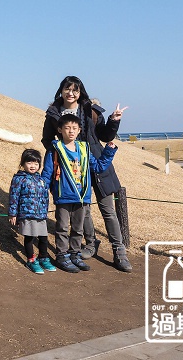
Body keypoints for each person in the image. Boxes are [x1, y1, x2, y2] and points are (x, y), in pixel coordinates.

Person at [41, 76, 132, 273]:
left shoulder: (90, 110)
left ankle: (120, 252)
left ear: (80, 92)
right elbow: (47, 139)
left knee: (108, 209)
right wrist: (60, 154)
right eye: (67, 89)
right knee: (85, 211)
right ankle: (91, 243)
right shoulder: (53, 114)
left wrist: (114, 121)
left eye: (75, 89)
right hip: (71, 169)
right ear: (61, 90)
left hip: (96, 161)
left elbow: (105, 136)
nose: (71, 93)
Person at [42, 113, 117, 272]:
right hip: (63, 196)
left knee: (78, 228)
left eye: (74, 128)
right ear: (60, 130)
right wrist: (42, 193)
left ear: (79, 130)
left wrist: (109, 152)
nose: (70, 131)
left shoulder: (84, 149)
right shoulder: (54, 149)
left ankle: (74, 254)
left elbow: (97, 167)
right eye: (67, 128)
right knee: (62, 227)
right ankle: (61, 256)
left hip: (82, 196)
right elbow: (47, 173)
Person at [8, 149, 57, 274]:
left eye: (36, 163)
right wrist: (13, 213)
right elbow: (14, 197)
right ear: (23, 163)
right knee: (29, 238)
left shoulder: (40, 179)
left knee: (43, 238)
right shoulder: (19, 179)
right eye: (29, 162)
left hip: (40, 215)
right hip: (26, 214)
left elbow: (45, 197)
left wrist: (45, 212)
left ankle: (43, 258)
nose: (33, 166)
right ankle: (31, 260)